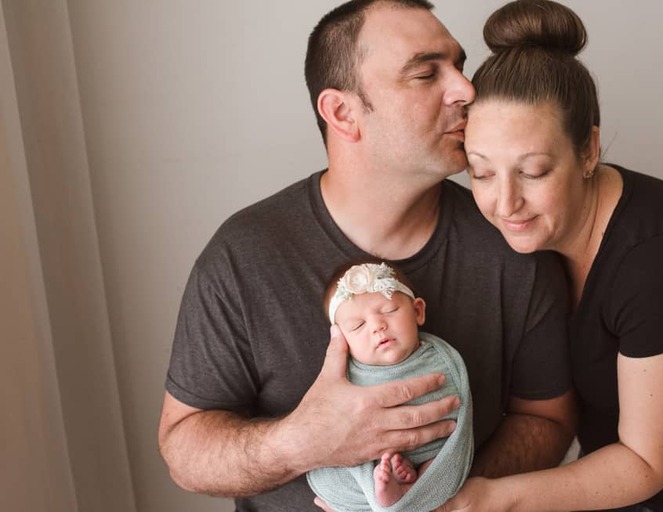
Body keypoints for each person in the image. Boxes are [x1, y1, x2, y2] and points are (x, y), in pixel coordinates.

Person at [158, 1, 577, 510]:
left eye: (460, 66)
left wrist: (438, 499)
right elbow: (184, 447)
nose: (467, 90)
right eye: (426, 73)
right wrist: (302, 441)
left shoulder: (513, 242)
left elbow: (548, 419)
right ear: (342, 113)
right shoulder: (245, 254)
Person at [438, 1, 663, 511]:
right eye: (481, 172)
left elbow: (645, 460)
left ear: (589, 150)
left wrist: (483, 502)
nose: (504, 204)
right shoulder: (536, 237)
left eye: (534, 171)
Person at [306, 260, 473, 511]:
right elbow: (328, 425)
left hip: (433, 454)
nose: (377, 326)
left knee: (438, 462)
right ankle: (385, 490)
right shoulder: (342, 375)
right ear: (341, 339)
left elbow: (461, 417)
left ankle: (410, 490)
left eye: (389, 310)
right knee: (349, 458)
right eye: (358, 326)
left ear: (418, 311)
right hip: (370, 458)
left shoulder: (443, 358)